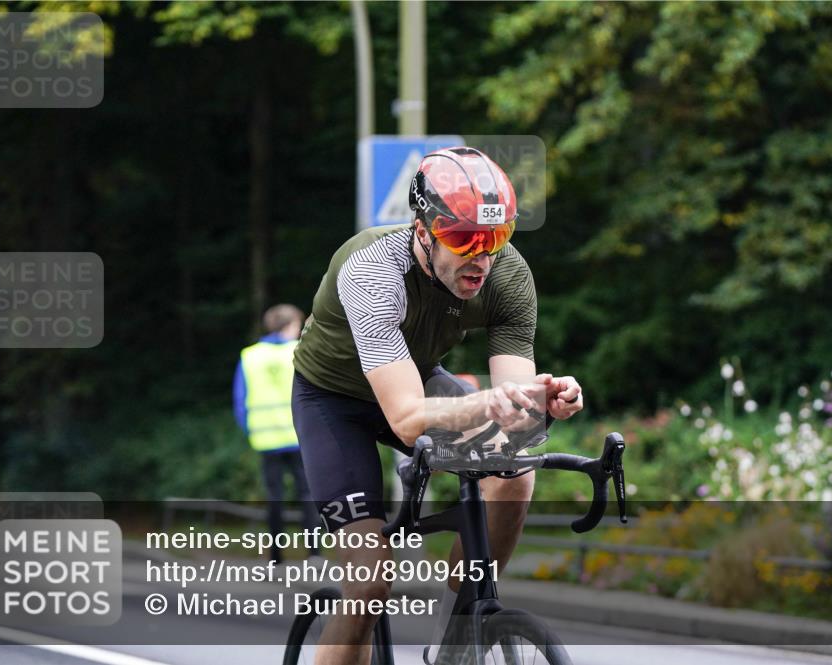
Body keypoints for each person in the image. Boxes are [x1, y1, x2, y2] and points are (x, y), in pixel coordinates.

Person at [291, 146, 584, 665]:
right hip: (334, 400)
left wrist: (541, 402)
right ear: (423, 233)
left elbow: (512, 413)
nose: (483, 258)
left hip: (418, 378)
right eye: (465, 239)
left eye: (495, 238)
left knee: (513, 470)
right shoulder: (372, 271)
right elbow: (405, 420)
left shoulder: (508, 277)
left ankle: (453, 645)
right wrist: (495, 403)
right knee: (370, 575)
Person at [234, 304, 320, 562]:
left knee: (274, 498)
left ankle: (275, 557)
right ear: (290, 325)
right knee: (307, 494)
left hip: (266, 439)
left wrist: (251, 430)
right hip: (300, 437)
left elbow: (240, 399)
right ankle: (314, 554)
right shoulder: (300, 351)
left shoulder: (250, 355)